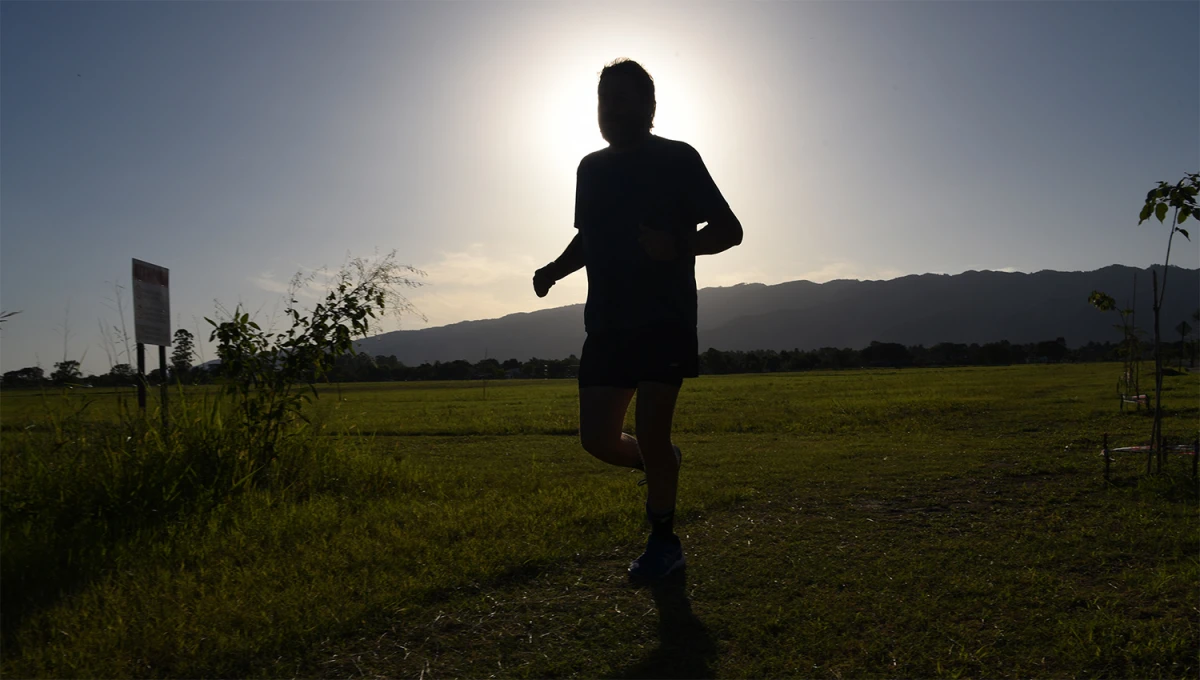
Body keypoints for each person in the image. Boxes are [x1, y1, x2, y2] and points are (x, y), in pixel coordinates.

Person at [532, 58, 743, 580]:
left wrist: (678, 245)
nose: (611, 109)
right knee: (598, 440)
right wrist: (554, 270)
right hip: (606, 322)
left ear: (649, 106)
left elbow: (729, 229)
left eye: (622, 98)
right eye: (604, 99)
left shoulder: (677, 158)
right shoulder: (590, 169)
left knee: (650, 432)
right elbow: (588, 237)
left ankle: (664, 542)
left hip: (664, 317)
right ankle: (664, 461)